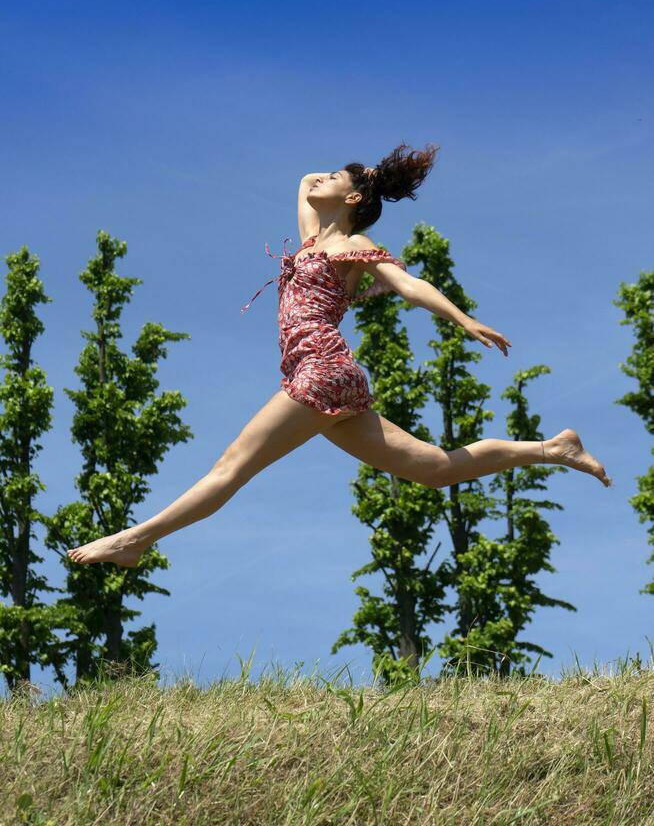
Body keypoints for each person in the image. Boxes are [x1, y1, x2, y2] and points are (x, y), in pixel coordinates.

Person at [67, 142, 612, 568]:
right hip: (327, 378)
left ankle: (132, 540)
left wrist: (463, 319)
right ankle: (553, 449)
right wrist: (360, 178)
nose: (321, 179)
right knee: (436, 470)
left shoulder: (354, 249)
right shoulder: (311, 242)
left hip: (322, 372)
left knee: (231, 467)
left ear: (352, 202)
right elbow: (306, 180)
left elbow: (409, 285)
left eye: (337, 179)